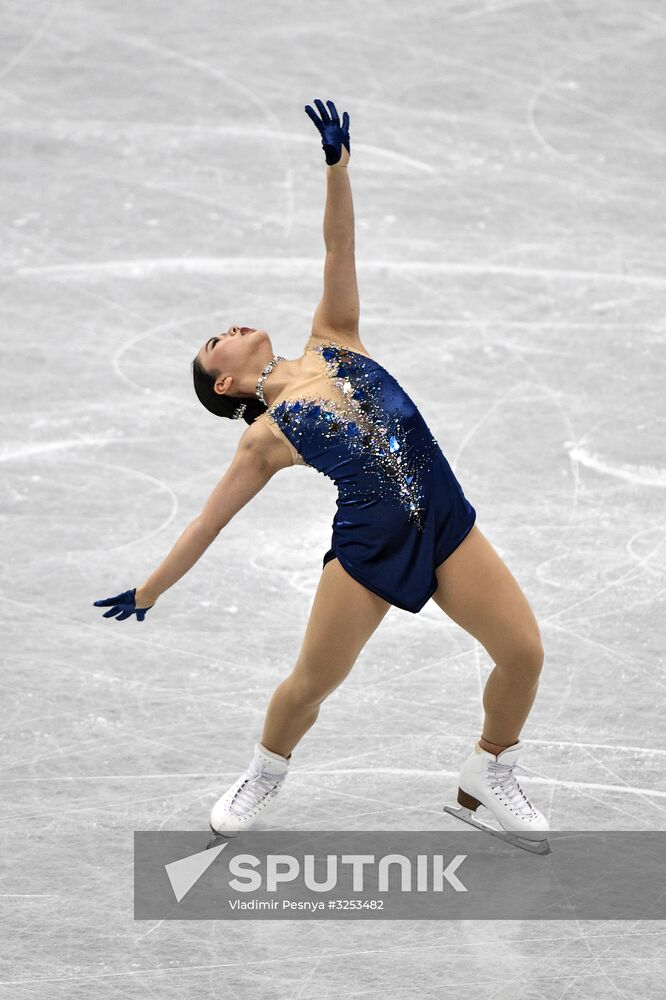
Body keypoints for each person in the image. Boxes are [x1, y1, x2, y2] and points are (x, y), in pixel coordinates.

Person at [94, 99, 549, 849]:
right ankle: (262, 775)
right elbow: (208, 522)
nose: (231, 329)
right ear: (227, 388)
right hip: (369, 547)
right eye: (217, 343)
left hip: (442, 519)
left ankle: (488, 770)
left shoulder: (334, 336)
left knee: (524, 652)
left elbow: (340, 246)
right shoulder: (266, 438)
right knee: (312, 684)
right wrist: (149, 591)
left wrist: (337, 168)